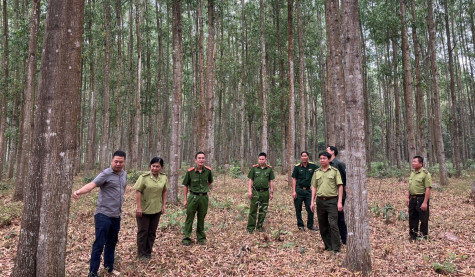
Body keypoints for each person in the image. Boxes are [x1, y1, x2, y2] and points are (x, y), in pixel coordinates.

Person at [73, 150, 127, 277]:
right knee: (99, 243)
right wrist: (78, 192)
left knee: (112, 243)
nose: (118, 164)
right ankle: (93, 272)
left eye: (121, 162)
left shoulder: (124, 174)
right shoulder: (106, 174)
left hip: (116, 215)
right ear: (111, 161)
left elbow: (123, 187)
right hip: (103, 214)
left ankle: (109, 267)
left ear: (124, 162)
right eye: (116, 161)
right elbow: (92, 184)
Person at [134, 157, 168, 259]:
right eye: (153, 166)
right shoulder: (144, 177)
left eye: (157, 166)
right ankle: (141, 254)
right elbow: (138, 191)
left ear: (161, 167)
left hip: (156, 209)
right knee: (143, 232)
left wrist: (164, 205)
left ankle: (148, 252)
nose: (155, 168)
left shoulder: (163, 177)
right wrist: (139, 208)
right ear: (150, 166)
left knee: (152, 232)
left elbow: (165, 190)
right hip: (144, 210)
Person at [310, 151, 343, 253]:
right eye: (320, 158)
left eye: (324, 158)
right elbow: (314, 187)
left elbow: (340, 186)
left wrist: (340, 202)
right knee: (323, 225)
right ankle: (328, 246)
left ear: (329, 159)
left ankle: (336, 248)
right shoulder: (317, 172)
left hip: (332, 201)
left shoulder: (334, 171)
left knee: (333, 224)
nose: (322, 160)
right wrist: (312, 201)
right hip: (320, 201)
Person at [182, 151, 213, 246]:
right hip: (193, 197)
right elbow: (185, 185)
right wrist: (185, 199)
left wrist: (204, 188)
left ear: (205, 159)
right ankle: (187, 237)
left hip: (203, 198)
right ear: (195, 160)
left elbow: (210, 181)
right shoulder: (190, 172)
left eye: (203, 158)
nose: (201, 160)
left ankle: (201, 238)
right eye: (199, 158)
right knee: (189, 217)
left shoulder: (208, 171)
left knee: (201, 218)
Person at [247, 152, 275, 233]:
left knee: (263, 210)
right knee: (253, 210)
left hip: (265, 192)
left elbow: (271, 181)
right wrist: (249, 191)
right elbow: (250, 180)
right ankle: (250, 228)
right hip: (255, 192)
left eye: (263, 159)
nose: (261, 161)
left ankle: (259, 227)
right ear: (258, 159)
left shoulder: (269, 169)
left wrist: (271, 192)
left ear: (266, 159)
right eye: (260, 159)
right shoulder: (254, 169)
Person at [292, 151, 319, 231]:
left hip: (308, 191)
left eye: (305, 156)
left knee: (310, 208)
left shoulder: (313, 166)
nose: (304, 157)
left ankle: (310, 225)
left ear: (308, 157)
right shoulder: (297, 167)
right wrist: (294, 191)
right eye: (302, 156)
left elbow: (320, 171)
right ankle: (300, 225)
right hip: (299, 190)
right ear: (301, 157)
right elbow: (294, 179)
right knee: (298, 208)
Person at [407, 155, 432, 241]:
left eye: (415, 162)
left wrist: (425, 202)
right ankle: (413, 236)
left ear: (420, 163)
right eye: (412, 161)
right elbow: (410, 186)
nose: (413, 163)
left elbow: (428, 188)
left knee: (423, 218)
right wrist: (408, 198)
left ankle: (423, 236)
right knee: (412, 217)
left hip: (421, 198)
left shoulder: (425, 174)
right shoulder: (412, 173)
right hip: (412, 198)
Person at [326, 146, 347, 244]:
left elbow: (345, 180)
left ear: (333, 152)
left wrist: (344, 194)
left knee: (340, 217)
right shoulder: (326, 164)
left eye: (327, 150)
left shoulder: (340, 164)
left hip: (339, 194)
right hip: (328, 194)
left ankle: (344, 238)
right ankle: (333, 237)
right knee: (331, 217)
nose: (326, 152)